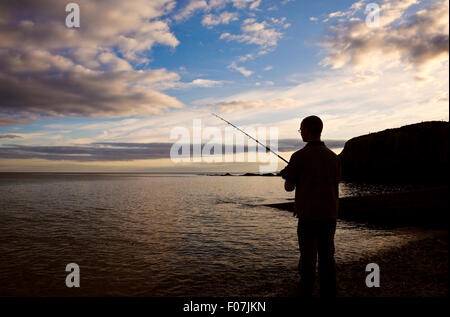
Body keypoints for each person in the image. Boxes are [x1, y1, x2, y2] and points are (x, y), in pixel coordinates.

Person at [280, 115, 341, 298]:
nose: (300, 133)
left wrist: (287, 174)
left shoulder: (298, 156)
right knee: (327, 257)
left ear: (307, 129)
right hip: (330, 214)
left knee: (307, 258)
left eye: (301, 129)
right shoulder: (334, 158)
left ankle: (305, 293)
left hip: (308, 216)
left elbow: (289, 187)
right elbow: (334, 182)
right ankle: (328, 293)